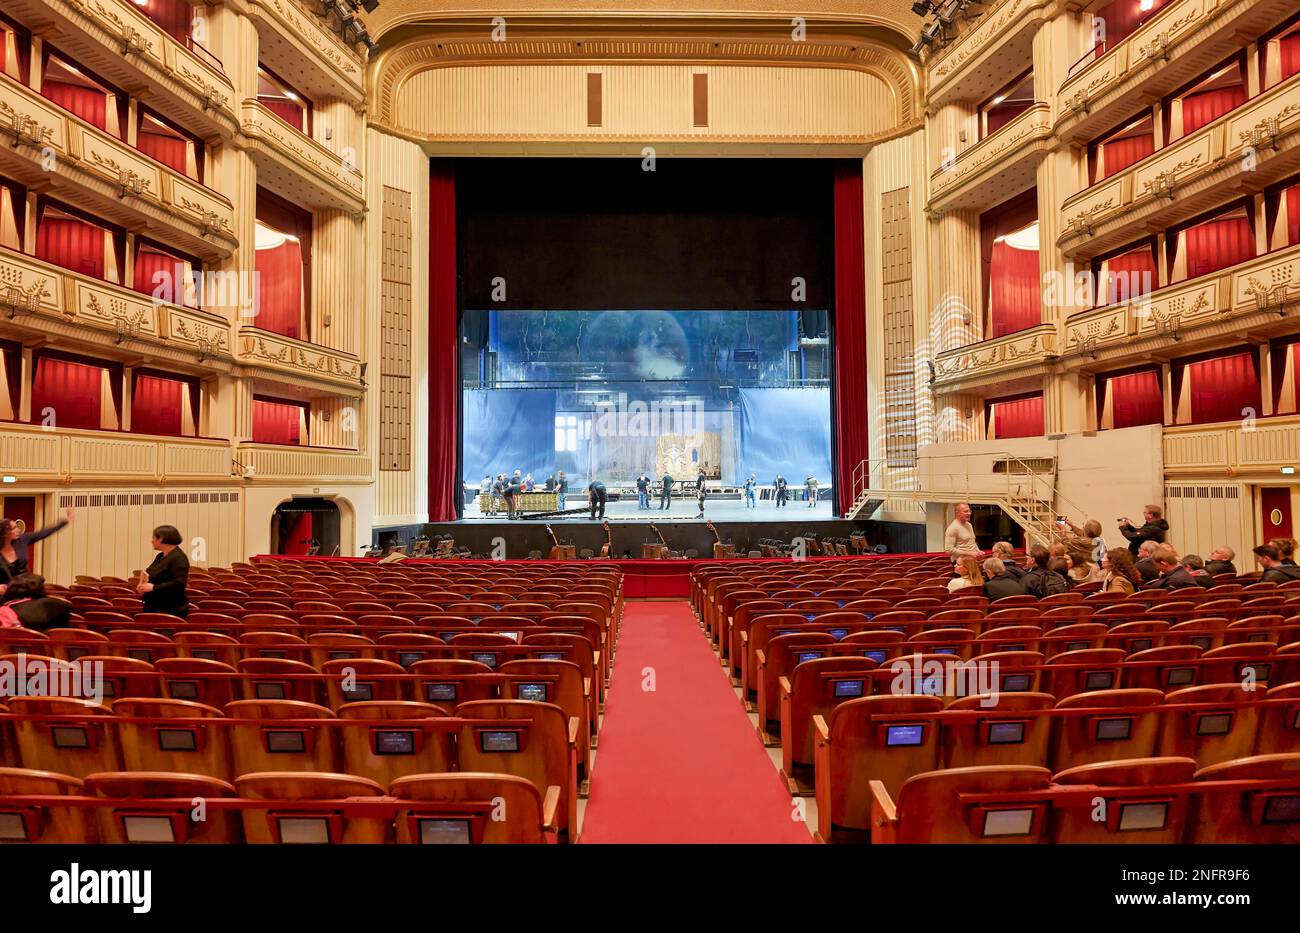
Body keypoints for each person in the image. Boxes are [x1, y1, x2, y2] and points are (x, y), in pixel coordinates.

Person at [0, 509, 74, 595]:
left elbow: (43, 533)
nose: (18, 530)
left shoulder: (23, 540)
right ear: (5, 532)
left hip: (25, 588)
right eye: (14, 528)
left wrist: (65, 522)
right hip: (4, 592)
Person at [137, 525, 190, 618]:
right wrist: (142, 586)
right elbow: (151, 574)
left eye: (153, 537)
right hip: (155, 606)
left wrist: (154, 588)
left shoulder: (179, 558)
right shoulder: (160, 556)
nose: (152, 541)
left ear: (161, 538)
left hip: (170, 610)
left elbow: (179, 584)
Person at [0, 573, 72, 632]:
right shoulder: (51, 605)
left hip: (10, 648)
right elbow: (69, 607)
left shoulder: (5, 608)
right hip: (48, 648)